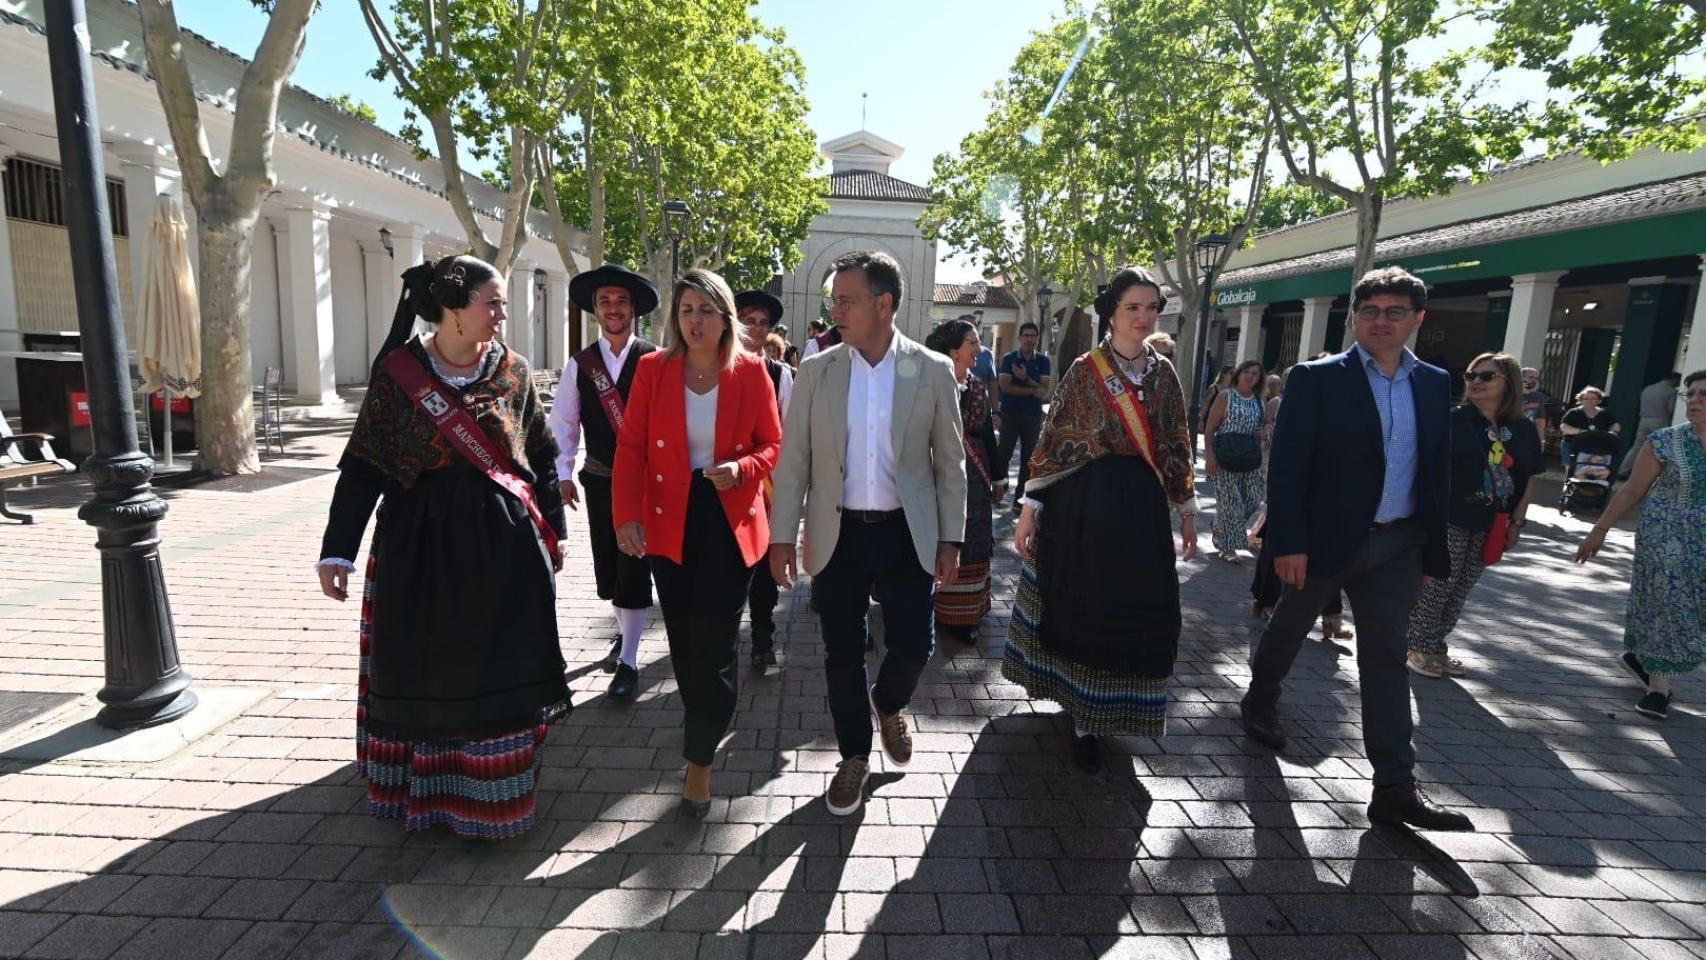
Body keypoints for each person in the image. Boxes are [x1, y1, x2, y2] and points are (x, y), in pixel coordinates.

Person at [317, 255, 569, 839]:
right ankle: (431, 799)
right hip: (418, 547)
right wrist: (338, 550)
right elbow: (362, 467)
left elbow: (543, 459)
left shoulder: (513, 371)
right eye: (493, 302)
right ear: (454, 306)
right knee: (426, 665)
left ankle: (496, 799)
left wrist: (552, 536)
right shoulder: (399, 373)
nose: (503, 314)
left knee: (501, 663)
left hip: (503, 545)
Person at [1240, 266, 1472, 832]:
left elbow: (1434, 472)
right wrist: (1286, 544)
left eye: (1395, 312)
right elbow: (1289, 468)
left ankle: (1394, 786)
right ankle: (1260, 700)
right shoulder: (1316, 379)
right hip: (1322, 543)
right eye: (1370, 311)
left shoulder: (1435, 383)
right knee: (1290, 627)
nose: (1381, 322)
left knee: (1386, 660)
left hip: (1398, 545)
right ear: (1354, 318)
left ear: (1417, 319)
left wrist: (1429, 554)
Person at [768, 249, 967, 817]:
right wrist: (783, 536)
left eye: (847, 300)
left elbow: (948, 464)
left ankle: (889, 703)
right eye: (834, 300)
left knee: (915, 644)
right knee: (841, 651)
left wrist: (950, 538)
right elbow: (795, 460)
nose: (837, 311)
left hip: (909, 533)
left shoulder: (931, 370)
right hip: (839, 533)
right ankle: (853, 755)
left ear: (885, 304)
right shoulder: (818, 370)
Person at [1003, 266, 1201, 775]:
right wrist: (1029, 513)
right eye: (1133, 307)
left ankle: (1119, 708)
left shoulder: (1163, 375)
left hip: (1140, 514)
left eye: (1151, 307)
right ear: (1111, 312)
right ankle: (1084, 715)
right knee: (1083, 603)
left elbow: (1177, 444)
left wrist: (1186, 513)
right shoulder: (1085, 371)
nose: (1143, 316)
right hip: (1083, 509)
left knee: (1138, 606)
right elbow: (1051, 446)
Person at [612, 270, 781, 817]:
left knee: (713, 643)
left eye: (706, 310)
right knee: (684, 642)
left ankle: (700, 761)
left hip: (728, 518)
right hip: (668, 518)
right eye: (686, 309)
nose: (695, 320)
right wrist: (625, 516)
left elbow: (772, 444)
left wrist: (743, 467)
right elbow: (632, 448)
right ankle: (700, 721)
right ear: (675, 317)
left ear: (724, 317)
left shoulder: (752, 371)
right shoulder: (652, 370)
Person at [549, 263, 660, 701]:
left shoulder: (655, 359)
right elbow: (563, 423)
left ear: (634, 309)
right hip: (598, 479)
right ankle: (624, 634)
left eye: (621, 300)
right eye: (605, 301)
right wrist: (561, 474)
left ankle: (630, 660)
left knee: (635, 563)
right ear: (595, 310)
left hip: (646, 484)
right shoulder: (581, 365)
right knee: (611, 569)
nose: (614, 308)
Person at [1576, 370, 1706, 720]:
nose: (1694, 400)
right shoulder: (1666, 440)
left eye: (1703, 394)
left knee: (1694, 610)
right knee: (1667, 604)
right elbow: (1633, 489)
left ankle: (1639, 658)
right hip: (1665, 535)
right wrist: (1599, 530)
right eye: (1689, 394)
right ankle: (1658, 689)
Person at [1406, 353, 1541, 678]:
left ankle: (1436, 645)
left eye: (1486, 376)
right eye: (1471, 376)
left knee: (1462, 586)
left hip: (1492, 520)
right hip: (1448, 515)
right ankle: (1416, 646)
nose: (1476, 382)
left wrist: (1517, 522)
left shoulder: (1521, 429)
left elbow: (1529, 477)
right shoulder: (1454, 419)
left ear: (1508, 383)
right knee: (1439, 582)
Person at [926, 318, 998, 644]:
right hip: (936, 473)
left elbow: (987, 435)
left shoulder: (978, 386)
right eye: (972, 342)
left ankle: (965, 614)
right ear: (954, 350)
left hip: (975, 477)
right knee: (935, 535)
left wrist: (997, 477)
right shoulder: (928, 384)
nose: (978, 349)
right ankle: (925, 604)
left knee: (972, 541)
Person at [735, 288, 794, 670]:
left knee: (761, 569)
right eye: (749, 320)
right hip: (721, 485)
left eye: (762, 323)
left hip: (765, 489)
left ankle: (762, 639)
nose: (755, 329)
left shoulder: (780, 374)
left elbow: (788, 434)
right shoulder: (713, 368)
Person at [1204, 360, 1267, 563]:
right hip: (1227, 457)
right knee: (1232, 503)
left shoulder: (1259, 401)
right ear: (1238, 374)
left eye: (1255, 374)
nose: (1250, 376)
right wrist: (1210, 456)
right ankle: (1228, 547)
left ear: (1259, 378)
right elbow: (1210, 428)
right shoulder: (1226, 396)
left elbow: (1263, 428)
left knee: (1252, 499)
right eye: (1247, 372)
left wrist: (1263, 432)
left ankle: (1219, 525)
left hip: (1249, 458)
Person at [994, 321, 1053, 508]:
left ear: (1036, 339)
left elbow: (1044, 391)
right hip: (1010, 414)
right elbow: (1004, 386)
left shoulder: (1044, 362)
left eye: (1032, 336)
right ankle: (998, 491)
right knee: (1003, 455)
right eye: (1026, 335)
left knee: (1029, 459)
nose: (1029, 339)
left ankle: (1021, 499)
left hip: (1033, 417)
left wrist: (1024, 378)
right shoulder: (1009, 358)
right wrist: (1032, 390)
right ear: (1020, 338)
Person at [1621, 373, 1680, 477]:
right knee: (1660, 447)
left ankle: (1623, 470)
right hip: (1661, 419)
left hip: (1643, 419)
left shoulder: (1648, 389)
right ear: (1674, 380)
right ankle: (1653, 474)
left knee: (1637, 446)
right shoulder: (1671, 391)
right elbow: (1671, 409)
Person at [1559, 385, 1620, 476]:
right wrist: (1579, 431)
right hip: (1572, 444)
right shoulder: (1573, 412)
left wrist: (1613, 432)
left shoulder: (1604, 414)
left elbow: (1615, 425)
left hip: (1595, 446)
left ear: (1599, 400)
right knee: (1571, 470)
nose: (1589, 401)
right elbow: (1563, 426)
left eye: (1593, 398)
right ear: (1581, 399)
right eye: (1586, 398)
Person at [1520, 367, 1553, 453]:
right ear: (1521, 378)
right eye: (1531, 377)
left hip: (1528, 437)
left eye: (1536, 378)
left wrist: (1541, 441)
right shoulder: (1510, 394)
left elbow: (1540, 420)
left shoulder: (1538, 397)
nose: (1534, 380)